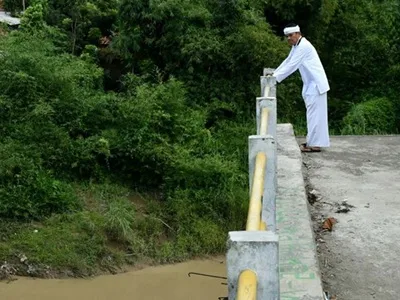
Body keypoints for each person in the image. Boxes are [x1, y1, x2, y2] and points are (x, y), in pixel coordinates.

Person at [273, 23, 330, 152]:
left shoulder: (303, 47)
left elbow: (292, 65)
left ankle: (314, 144)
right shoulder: (297, 47)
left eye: (291, 35)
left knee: (315, 116)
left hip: (316, 85)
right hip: (312, 85)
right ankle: (314, 142)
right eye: (287, 36)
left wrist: (275, 79)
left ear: (298, 34)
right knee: (313, 115)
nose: (289, 38)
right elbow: (287, 61)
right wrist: (274, 74)